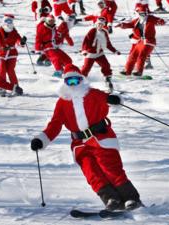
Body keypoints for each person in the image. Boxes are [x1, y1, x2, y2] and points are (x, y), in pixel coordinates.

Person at [30, 64, 142, 211]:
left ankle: (131, 198)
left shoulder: (93, 94)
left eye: (76, 81)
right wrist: (42, 139)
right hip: (80, 144)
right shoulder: (63, 103)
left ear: (81, 80)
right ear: (65, 83)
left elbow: (107, 98)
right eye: (69, 82)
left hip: (101, 138)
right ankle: (111, 199)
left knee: (111, 168)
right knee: (92, 173)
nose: (73, 85)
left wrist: (114, 99)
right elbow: (55, 124)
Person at [116, 6, 165, 76]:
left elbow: (159, 20)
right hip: (141, 41)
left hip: (149, 41)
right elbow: (129, 24)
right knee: (132, 55)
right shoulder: (137, 21)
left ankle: (139, 71)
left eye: (145, 13)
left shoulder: (150, 18)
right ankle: (127, 71)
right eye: (141, 13)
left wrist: (161, 21)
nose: (143, 15)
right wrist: (122, 25)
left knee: (142, 56)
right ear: (138, 13)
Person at [0, 14, 26, 97]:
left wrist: (22, 42)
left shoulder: (14, 31)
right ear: (3, 21)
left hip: (12, 54)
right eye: (7, 21)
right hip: (1, 53)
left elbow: (18, 40)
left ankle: (15, 87)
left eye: (10, 21)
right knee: (2, 70)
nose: (8, 23)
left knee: (10, 70)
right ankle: (2, 87)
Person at [81, 17, 120, 93]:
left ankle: (107, 80)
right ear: (96, 24)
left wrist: (115, 51)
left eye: (102, 24)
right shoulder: (92, 31)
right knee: (86, 69)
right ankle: (79, 82)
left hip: (99, 54)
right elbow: (86, 41)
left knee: (106, 65)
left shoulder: (104, 32)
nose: (100, 26)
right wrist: (84, 50)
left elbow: (108, 43)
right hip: (90, 54)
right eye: (99, 24)